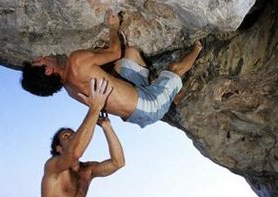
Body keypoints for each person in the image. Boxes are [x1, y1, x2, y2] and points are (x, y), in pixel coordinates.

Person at [21, 9, 203, 128]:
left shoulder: (71, 90)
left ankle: (154, 85)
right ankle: (200, 46)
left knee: (131, 53)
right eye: (38, 61)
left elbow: (102, 99)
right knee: (175, 68)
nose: (41, 57)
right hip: (149, 106)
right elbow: (115, 52)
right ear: (48, 70)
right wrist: (113, 28)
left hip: (132, 112)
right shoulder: (75, 61)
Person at [22, 78, 125, 197]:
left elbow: (118, 162)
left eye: (74, 134)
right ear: (58, 149)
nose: (72, 137)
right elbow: (75, 153)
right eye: (66, 136)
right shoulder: (53, 165)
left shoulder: (88, 170)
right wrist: (94, 108)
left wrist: (107, 127)